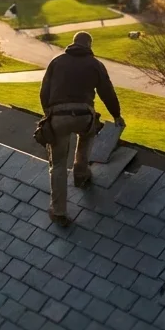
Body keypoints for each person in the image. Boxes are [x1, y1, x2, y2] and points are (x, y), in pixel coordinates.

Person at [38, 31, 125, 226]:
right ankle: (81, 173)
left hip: (58, 116)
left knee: (58, 164)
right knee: (88, 134)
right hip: (84, 115)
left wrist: (48, 114)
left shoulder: (57, 61)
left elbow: (44, 91)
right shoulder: (95, 65)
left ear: (73, 43)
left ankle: (59, 211)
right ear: (89, 45)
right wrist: (116, 115)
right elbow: (107, 92)